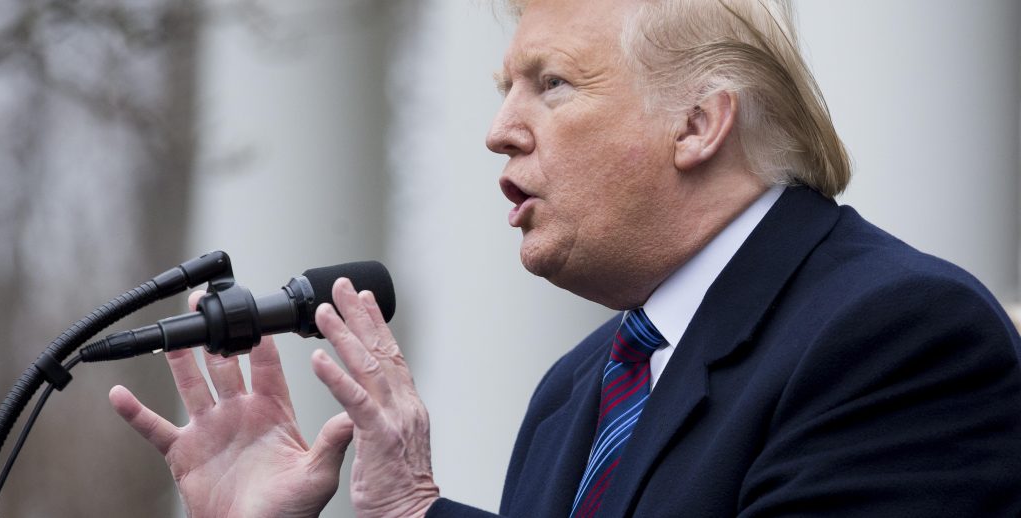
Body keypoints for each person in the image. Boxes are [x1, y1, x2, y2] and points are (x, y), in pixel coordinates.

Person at [107, 0, 1021, 516]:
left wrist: (417, 513)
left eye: (551, 85)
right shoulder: (575, 393)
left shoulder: (896, 334)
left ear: (699, 123)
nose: (500, 130)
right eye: (505, 88)